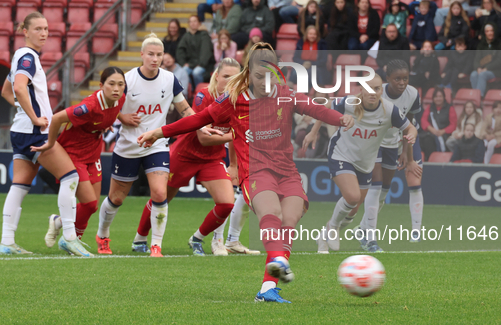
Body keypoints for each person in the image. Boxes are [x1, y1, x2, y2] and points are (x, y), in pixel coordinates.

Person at [136, 42, 354, 303]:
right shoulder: (233, 100)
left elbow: (313, 108)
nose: (265, 82)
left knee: (290, 218)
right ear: (249, 73)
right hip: (256, 172)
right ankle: (278, 263)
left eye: (269, 75)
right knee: (271, 212)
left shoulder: (284, 93)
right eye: (259, 76)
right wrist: (159, 132)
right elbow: (197, 119)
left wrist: (339, 118)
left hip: (287, 172)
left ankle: (267, 288)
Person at [95, 33, 205, 257]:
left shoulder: (169, 79)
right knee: (116, 198)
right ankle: (102, 235)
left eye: (159, 54)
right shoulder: (127, 80)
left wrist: (201, 125)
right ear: (142, 55)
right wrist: (122, 118)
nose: (155, 59)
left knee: (159, 192)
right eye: (151, 54)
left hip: (157, 144)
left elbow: (184, 108)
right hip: (128, 145)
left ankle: (156, 245)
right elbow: (107, 104)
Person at [0, 12, 89, 256]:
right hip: (35, 132)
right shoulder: (27, 56)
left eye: (46, 28)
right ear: (25, 31)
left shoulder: (21, 56)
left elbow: (6, 91)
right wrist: (35, 117)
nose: (44, 33)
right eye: (37, 28)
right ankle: (69, 236)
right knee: (70, 176)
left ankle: (7, 241)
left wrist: (23, 110)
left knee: (19, 185)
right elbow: (16, 87)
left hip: (19, 132)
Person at [131, 58, 242, 256]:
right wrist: (236, 134)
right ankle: (140, 238)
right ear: (216, 76)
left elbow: (233, 135)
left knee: (227, 203)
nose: (231, 80)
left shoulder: (239, 100)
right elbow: (203, 138)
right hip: (185, 155)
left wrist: (233, 164)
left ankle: (197, 238)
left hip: (212, 159)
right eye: (226, 76)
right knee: (161, 198)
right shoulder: (203, 96)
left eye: (235, 77)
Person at [311, 59, 423, 251]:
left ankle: (327, 232)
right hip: (342, 154)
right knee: (354, 196)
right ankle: (344, 232)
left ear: (381, 90)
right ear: (362, 90)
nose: (373, 92)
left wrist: (410, 138)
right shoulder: (349, 103)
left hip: (367, 159)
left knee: (354, 208)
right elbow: (324, 107)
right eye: (369, 88)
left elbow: (410, 127)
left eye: (377, 89)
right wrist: (312, 132)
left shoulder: (390, 109)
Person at [34, 68, 126, 249]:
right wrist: (51, 143)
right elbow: (58, 118)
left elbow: (111, 112)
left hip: (93, 151)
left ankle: (63, 227)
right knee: (89, 203)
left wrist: (112, 121)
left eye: (120, 84)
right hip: (74, 152)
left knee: (93, 206)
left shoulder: (120, 99)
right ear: (101, 86)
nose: (116, 89)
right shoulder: (89, 106)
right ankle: (70, 239)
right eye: (111, 84)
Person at [176, 15, 215, 87]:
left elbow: (206, 52)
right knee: (183, 72)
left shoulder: (204, 35)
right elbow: (180, 50)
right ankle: (188, 92)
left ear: (199, 23)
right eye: (190, 22)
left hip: (204, 65)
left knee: (196, 72)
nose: (192, 23)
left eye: (195, 21)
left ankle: (199, 91)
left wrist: (201, 64)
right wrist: (183, 63)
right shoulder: (186, 36)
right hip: (190, 64)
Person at [420, 87, 457, 160]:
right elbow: (423, 120)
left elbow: (453, 124)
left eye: (440, 96)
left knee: (429, 141)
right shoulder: (430, 108)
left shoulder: (450, 108)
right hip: (431, 133)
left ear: (444, 97)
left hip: (444, 134)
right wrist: (432, 130)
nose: (438, 99)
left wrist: (443, 131)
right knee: (422, 139)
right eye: (436, 97)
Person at [471, 23, 501, 97]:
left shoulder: (500, 44)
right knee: (473, 75)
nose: (489, 33)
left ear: (494, 31)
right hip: (482, 69)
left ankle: (478, 97)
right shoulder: (481, 44)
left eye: (491, 31)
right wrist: (478, 68)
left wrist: (487, 68)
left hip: (495, 71)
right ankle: (476, 96)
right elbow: (476, 59)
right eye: (487, 31)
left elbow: (500, 60)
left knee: (482, 75)